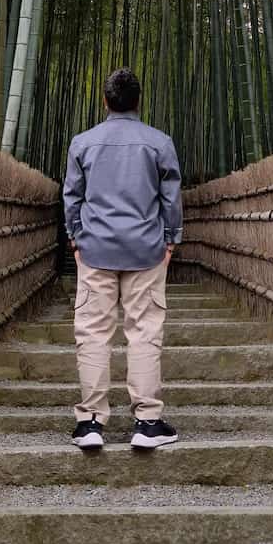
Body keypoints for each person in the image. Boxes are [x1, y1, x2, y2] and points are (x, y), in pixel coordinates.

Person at [62, 67, 183, 450]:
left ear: (106, 101)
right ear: (138, 100)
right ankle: (147, 423)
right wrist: (170, 239)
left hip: (95, 250)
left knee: (93, 333)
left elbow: (72, 198)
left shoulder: (83, 143)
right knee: (144, 333)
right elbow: (170, 200)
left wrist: (75, 238)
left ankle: (90, 423)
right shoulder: (158, 143)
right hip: (145, 250)